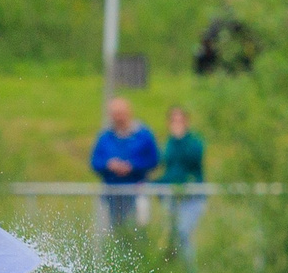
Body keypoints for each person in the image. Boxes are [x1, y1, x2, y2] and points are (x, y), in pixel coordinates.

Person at [89, 97, 159, 230]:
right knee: (114, 230)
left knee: (137, 229)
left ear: (129, 113)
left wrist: (132, 166)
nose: (118, 118)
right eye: (115, 114)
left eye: (121, 113)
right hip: (112, 192)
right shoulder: (105, 137)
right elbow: (95, 161)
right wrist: (108, 165)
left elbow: (154, 160)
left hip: (137, 191)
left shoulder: (143, 135)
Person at [158, 105, 208, 263]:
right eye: (173, 120)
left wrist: (180, 140)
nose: (177, 123)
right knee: (171, 237)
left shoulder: (194, 142)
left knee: (183, 232)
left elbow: (191, 161)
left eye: (180, 120)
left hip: (192, 197)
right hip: (173, 196)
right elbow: (170, 172)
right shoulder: (169, 144)